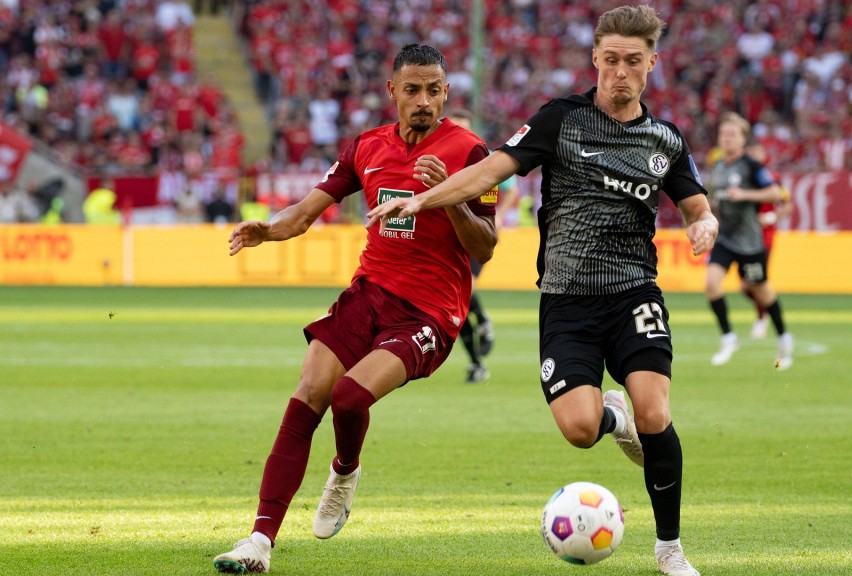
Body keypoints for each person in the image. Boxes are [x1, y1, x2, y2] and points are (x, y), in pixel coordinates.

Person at [369, 7, 715, 576]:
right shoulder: (560, 120)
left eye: (632, 61)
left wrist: (704, 225)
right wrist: (420, 200)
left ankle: (670, 550)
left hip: (634, 294)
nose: (620, 73)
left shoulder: (665, 139)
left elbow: (697, 204)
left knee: (655, 412)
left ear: (652, 63)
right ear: (595, 60)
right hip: (566, 300)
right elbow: (492, 170)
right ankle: (611, 417)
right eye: (610, 61)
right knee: (580, 431)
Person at [212, 44, 497, 574]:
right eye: (412, 90)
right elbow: (304, 213)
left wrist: (450, 196)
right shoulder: (366, 147)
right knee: (307, 397)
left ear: (446, 93)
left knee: (347, 398)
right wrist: (269, 231)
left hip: (429, 313)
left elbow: (484, 247)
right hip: (368, 293)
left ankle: (344, 471)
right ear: (392, 91)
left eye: (434, 90)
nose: (423, 101)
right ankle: (258, 541)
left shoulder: (470, 152)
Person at [704, 112, 793, 369]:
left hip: (750, 242)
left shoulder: (752, 166)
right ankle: (728, 337)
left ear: (743, 139)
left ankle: (784, 338)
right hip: (725, 238)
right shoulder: (718, 167)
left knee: (761, 291)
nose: (727, 139)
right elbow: (714, 199)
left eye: (732, 134)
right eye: (723, 134)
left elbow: (775, 192)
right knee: (711, 283)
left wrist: (744, 194)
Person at [445, 108, 501, 383]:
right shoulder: (438, 156)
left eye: (463, 128)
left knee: (465, 291)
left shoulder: (483, 158)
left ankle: (484, 321)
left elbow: (508, 186)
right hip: (447, 240)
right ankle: (477, 362)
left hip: (475, 235)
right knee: (456, 303)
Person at [742, 142, 792, 339]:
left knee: (756, 281)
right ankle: (769, 306)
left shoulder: (773, 179)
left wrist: (771, 217)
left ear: (764, 155)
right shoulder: (743, 178)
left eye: (757, 151)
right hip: (744, 238)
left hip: (764, 238)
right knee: (746, 286)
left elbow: (788, 206)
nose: (754, 155)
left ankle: (761, 320)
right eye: (751, 151)